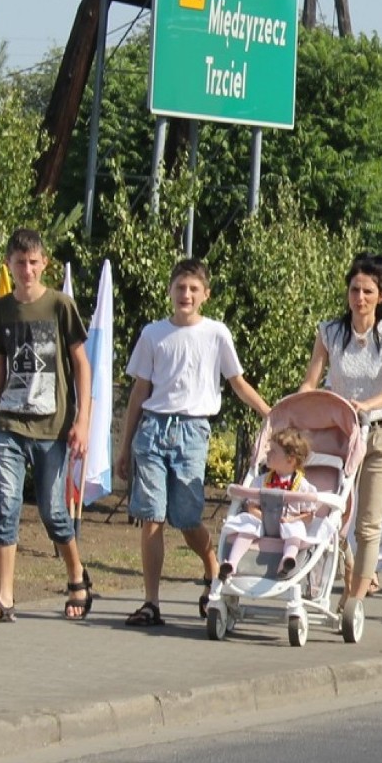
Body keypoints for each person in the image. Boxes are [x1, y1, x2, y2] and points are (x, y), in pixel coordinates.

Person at [115, 257, 270, 627]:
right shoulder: (153, 334)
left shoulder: (217, 334)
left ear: (205, 294)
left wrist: (270, 412)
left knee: (186, 518)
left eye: (193, 289)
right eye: (180, 287)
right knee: (151, 515)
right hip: (153, 429)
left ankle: (211, 567)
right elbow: (140, 390)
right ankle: (151, 602)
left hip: (192, 431)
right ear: (169, 291)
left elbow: (236, 382)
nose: (186, 294)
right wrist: (125, 445)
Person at [0, 228, 93, 624]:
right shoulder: (0, 310)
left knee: (54, 512)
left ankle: (76, 575)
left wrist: (83, 420)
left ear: (44, 264)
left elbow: (81, 364)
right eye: (19, 262)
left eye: (33, 262)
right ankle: (4, 598)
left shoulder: (59, 305)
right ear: (9, 264)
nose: (26, 270)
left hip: (52, 426)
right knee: (6, 506)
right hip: (9, 422)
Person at [299, 252, 382, 605]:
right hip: (341, 434)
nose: (359, 299)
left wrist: (369, 404)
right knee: (333, 516)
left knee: (369, 523)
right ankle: (347, 575)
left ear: (381, 295)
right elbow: (311, 381)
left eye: (367, 292)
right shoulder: (330, 332)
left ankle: (356, 599)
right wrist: (297, 410)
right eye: (354, 290)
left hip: (379, 433)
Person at [219, 427, 328, 578]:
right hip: (263, 520)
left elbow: (309, 516)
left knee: (295, 529)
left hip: (288, 522)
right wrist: (263, 517)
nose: (268, 454)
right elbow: (252, 507)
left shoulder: (303, 487)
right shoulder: (262, 481)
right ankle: (232, 563)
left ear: (290, 459)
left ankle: (287, 559)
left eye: (273, 451)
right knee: (248, 524)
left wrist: (291, 519)